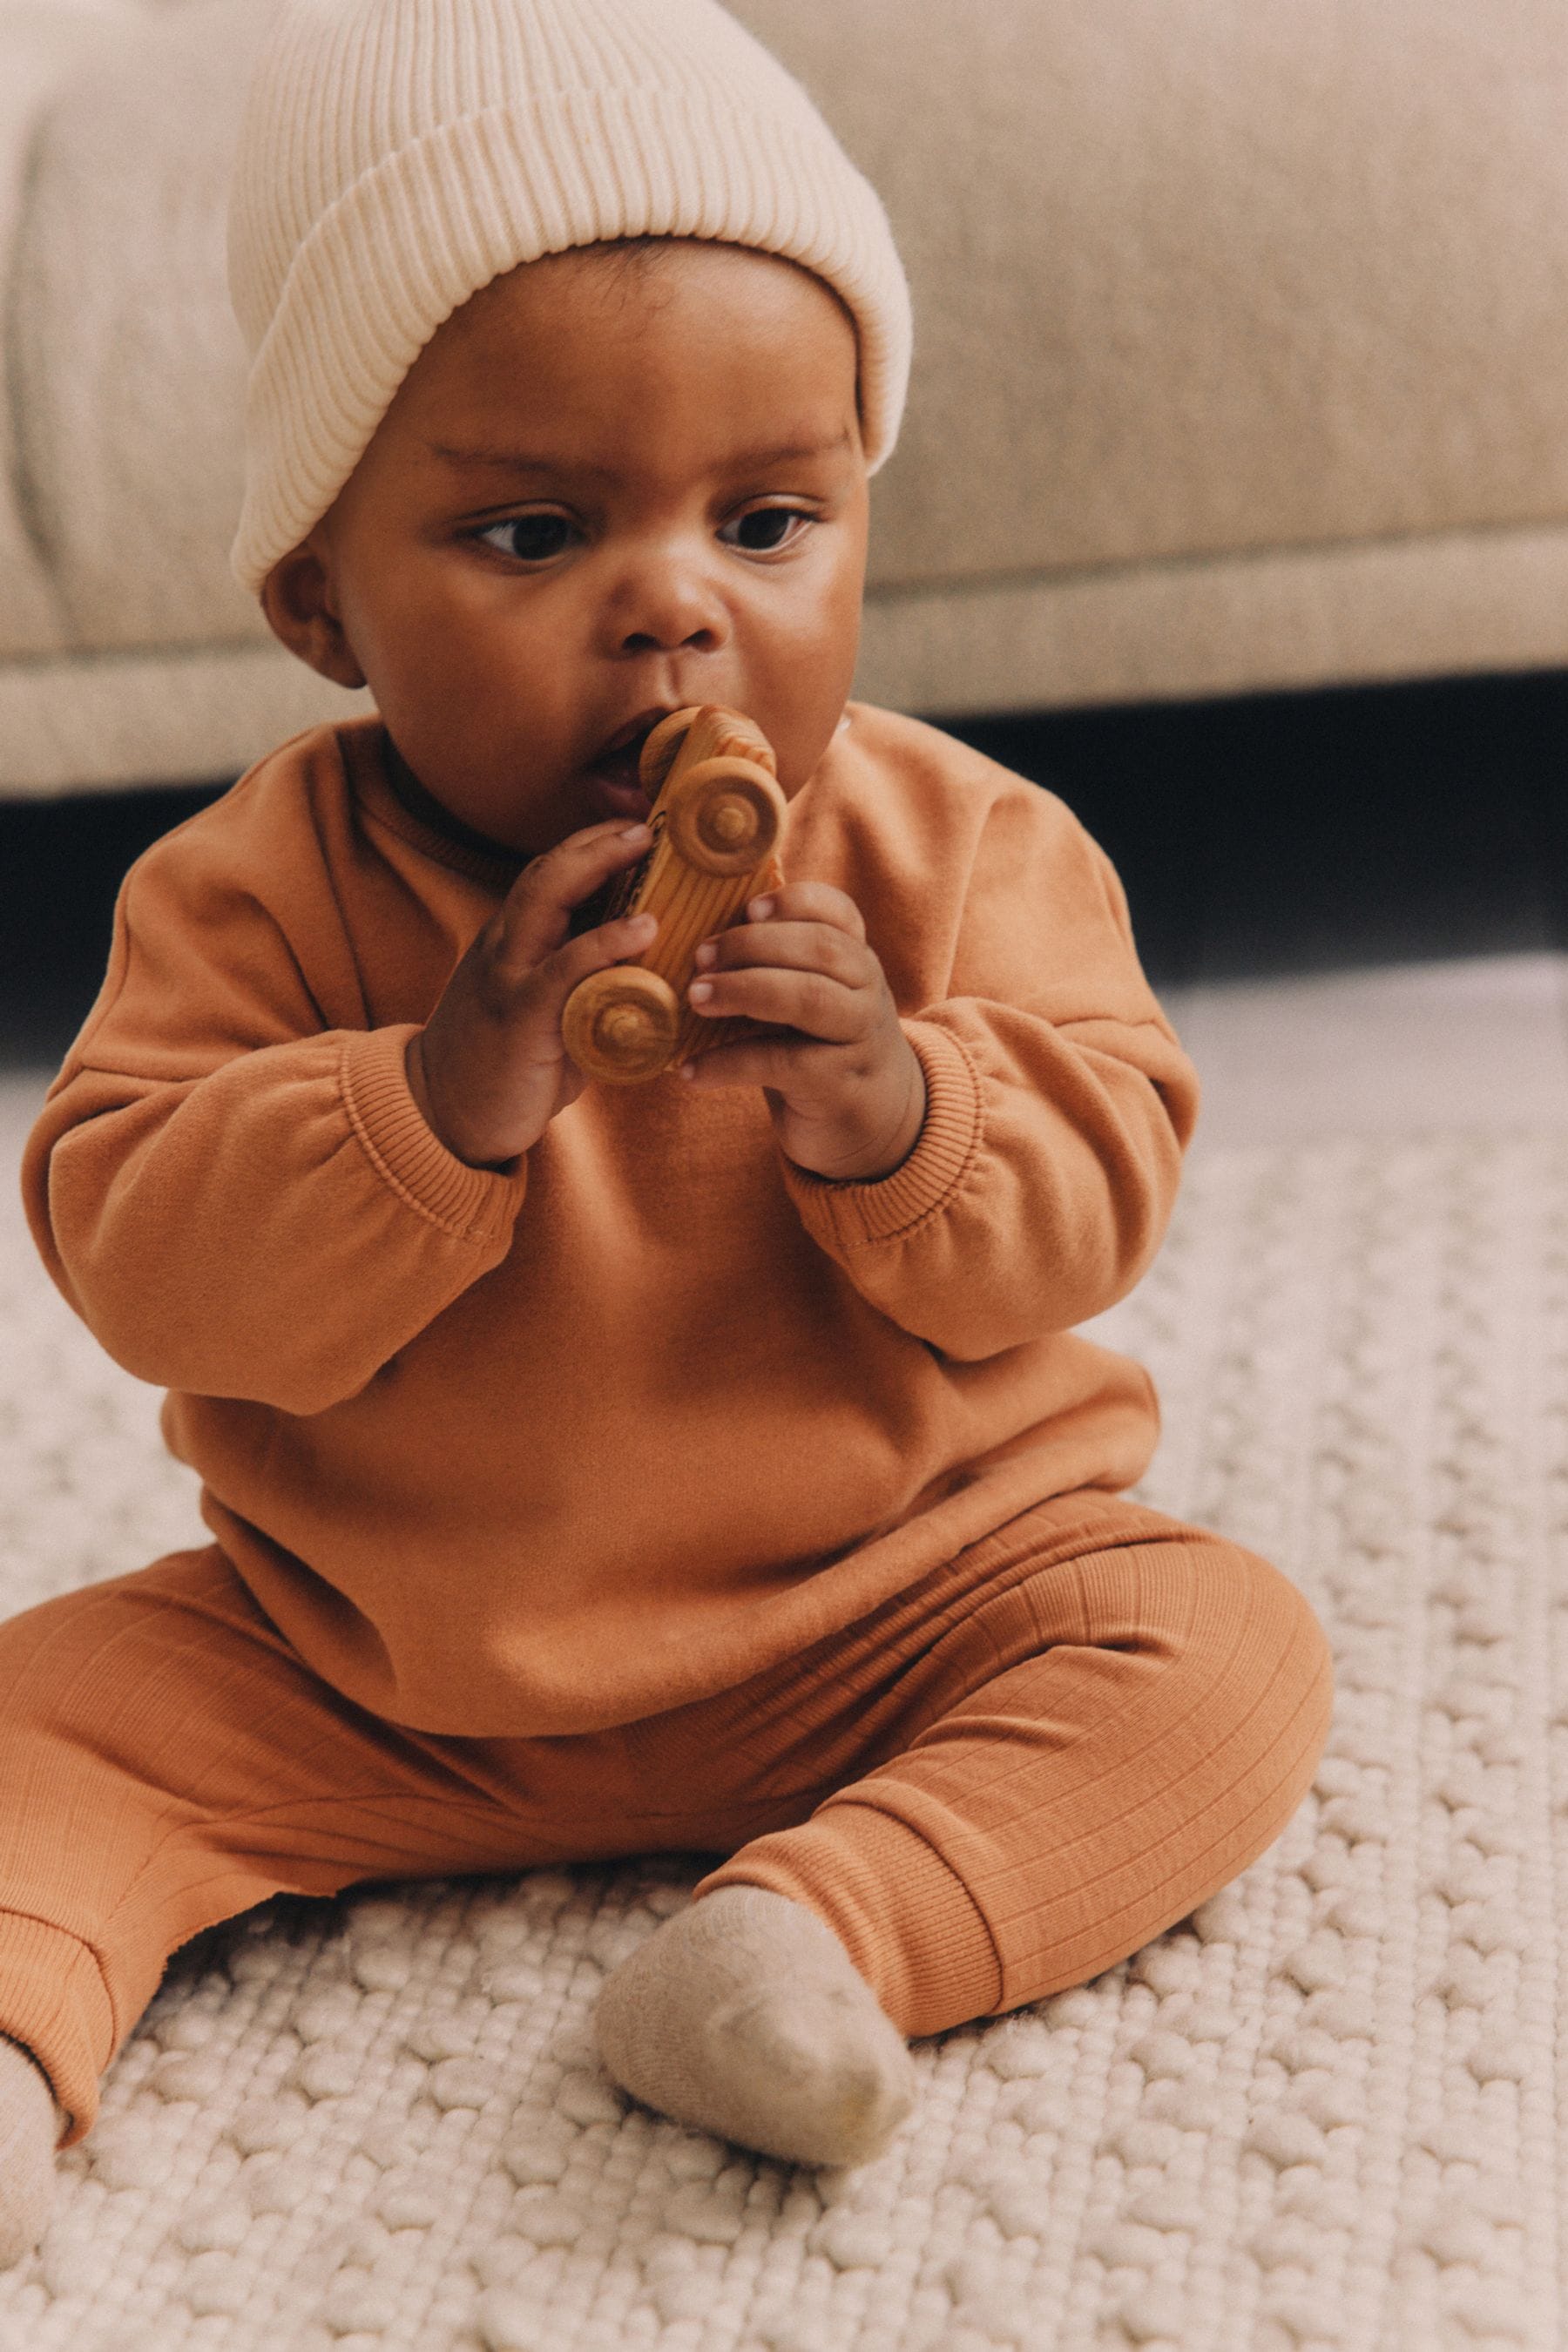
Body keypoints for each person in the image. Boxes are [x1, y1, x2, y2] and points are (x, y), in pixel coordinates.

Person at [0, 0, 1333, 2264]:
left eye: (771, 517)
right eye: (537, 529)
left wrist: (902, 1110)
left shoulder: (957, 846)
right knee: (40, 1724)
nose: (678, 604)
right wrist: (438, 1101)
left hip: (890, 1608)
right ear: (325, 599)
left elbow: (1094, 1190)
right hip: (380, 1664)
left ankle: (811, 1935)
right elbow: (136, 1244)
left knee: (1219, 1652)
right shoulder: (250, 893)